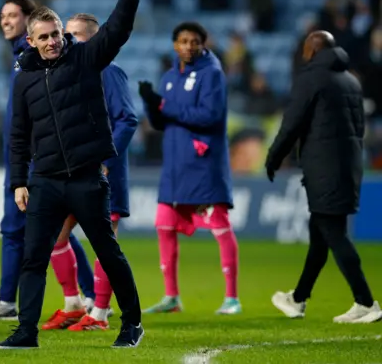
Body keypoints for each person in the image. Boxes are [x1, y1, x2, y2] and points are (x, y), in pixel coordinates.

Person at [0, 0, 147, 350]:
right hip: (44, 179)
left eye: (56, 34)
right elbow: (18, 135)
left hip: (85, 176)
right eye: (43, 37)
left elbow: (116, 31)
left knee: (107, 252)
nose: (51, 42)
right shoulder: (23, 79)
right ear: (30, 40)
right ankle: (25, 332)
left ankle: (131, 323)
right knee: (33, 258)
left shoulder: (85, 58)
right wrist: (19, 181)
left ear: (63, 33)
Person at [0, 0, 95, 321]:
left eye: (12, 15)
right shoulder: (17, 58)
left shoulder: (33, 58)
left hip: (40, 160)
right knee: (26, 230)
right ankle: (73, 296)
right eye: (2, 15)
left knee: (47, 231)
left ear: (29, 21)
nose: (5, 21)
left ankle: (84, 295)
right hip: (21, 158)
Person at [267, 31, 382, 323]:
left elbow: (291, 122)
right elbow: (359, 129)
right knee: (320, 234)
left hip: (323, 168)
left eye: (306, 48)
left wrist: (273, 157)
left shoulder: (311, 79)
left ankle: (366, 302)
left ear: (313, 50)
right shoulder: (351, 81)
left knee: (333, 233)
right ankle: (298, 298)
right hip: (349, 165)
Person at [42, 13, 138, 331]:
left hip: (103, 173)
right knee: (54, 235)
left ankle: (99, 313)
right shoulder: (69, 75)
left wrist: (105, 161)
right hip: (71, 171)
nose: (64, 41)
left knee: (103, 243)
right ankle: (73, 304)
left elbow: (127, 119)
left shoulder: (108, 72)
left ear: (91, 40)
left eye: (72, 35)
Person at [138, 22, 240, 315]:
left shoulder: (213, 75)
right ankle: (171, 297)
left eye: (194, 41)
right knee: (164, 226)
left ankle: (232, 298)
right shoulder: (170, 76)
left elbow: (209, 116)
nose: (189, 46)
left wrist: (163, 106)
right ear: (175, 45)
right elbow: (160, 123)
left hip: (203, 164)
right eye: (183, 41)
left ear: (203, 43)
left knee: (220, 227)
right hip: (174, 167)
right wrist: (150, 103)